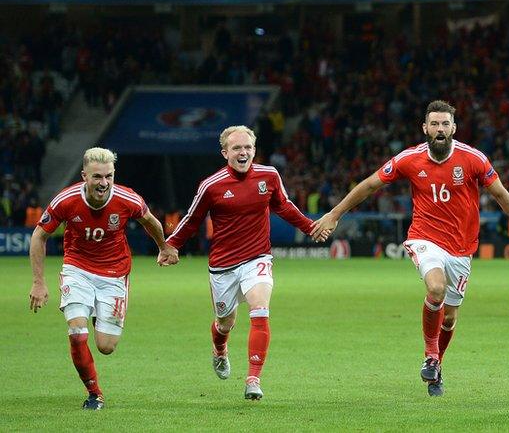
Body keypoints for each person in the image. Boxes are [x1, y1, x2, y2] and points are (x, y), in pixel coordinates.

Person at [309, 100, 509, 397]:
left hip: (461, 247)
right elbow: (370, 185)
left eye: (445, 124)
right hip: (425, 238)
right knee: (436, 289)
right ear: (425, 128)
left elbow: (500, 193)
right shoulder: (410, 159)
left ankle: (437, 365)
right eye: (434, 124)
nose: (440, 129)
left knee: (449, 317)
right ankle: (430, 354)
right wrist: (334, 214)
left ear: (454, 128)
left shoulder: (473, 159)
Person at [164, 125, 323, 401]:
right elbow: (192, 219)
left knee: (260, 309)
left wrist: (310, 228)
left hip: (257, 258)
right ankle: (220, 348)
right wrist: (172, 245)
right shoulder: (211, 186)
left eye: (248, 147)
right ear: (225, 152)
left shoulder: (269, 176)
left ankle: (253, 379)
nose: (243, 152)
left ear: (254, 150)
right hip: (223, 266)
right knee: (225, 323)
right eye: (237, 148)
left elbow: (284, 205)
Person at [28, 147, 174, 411]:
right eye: (97, 177)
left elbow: (151, 221)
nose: (104, 183)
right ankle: (95, 394)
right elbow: (39, 236)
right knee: (77, 332)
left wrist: (163, 247)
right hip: (78, 268)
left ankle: (96, 311)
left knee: (106, 346)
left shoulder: (128, 199)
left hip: (114, 274)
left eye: (109, 176)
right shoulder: (66, 200)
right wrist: (39, 282)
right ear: (84, 175)